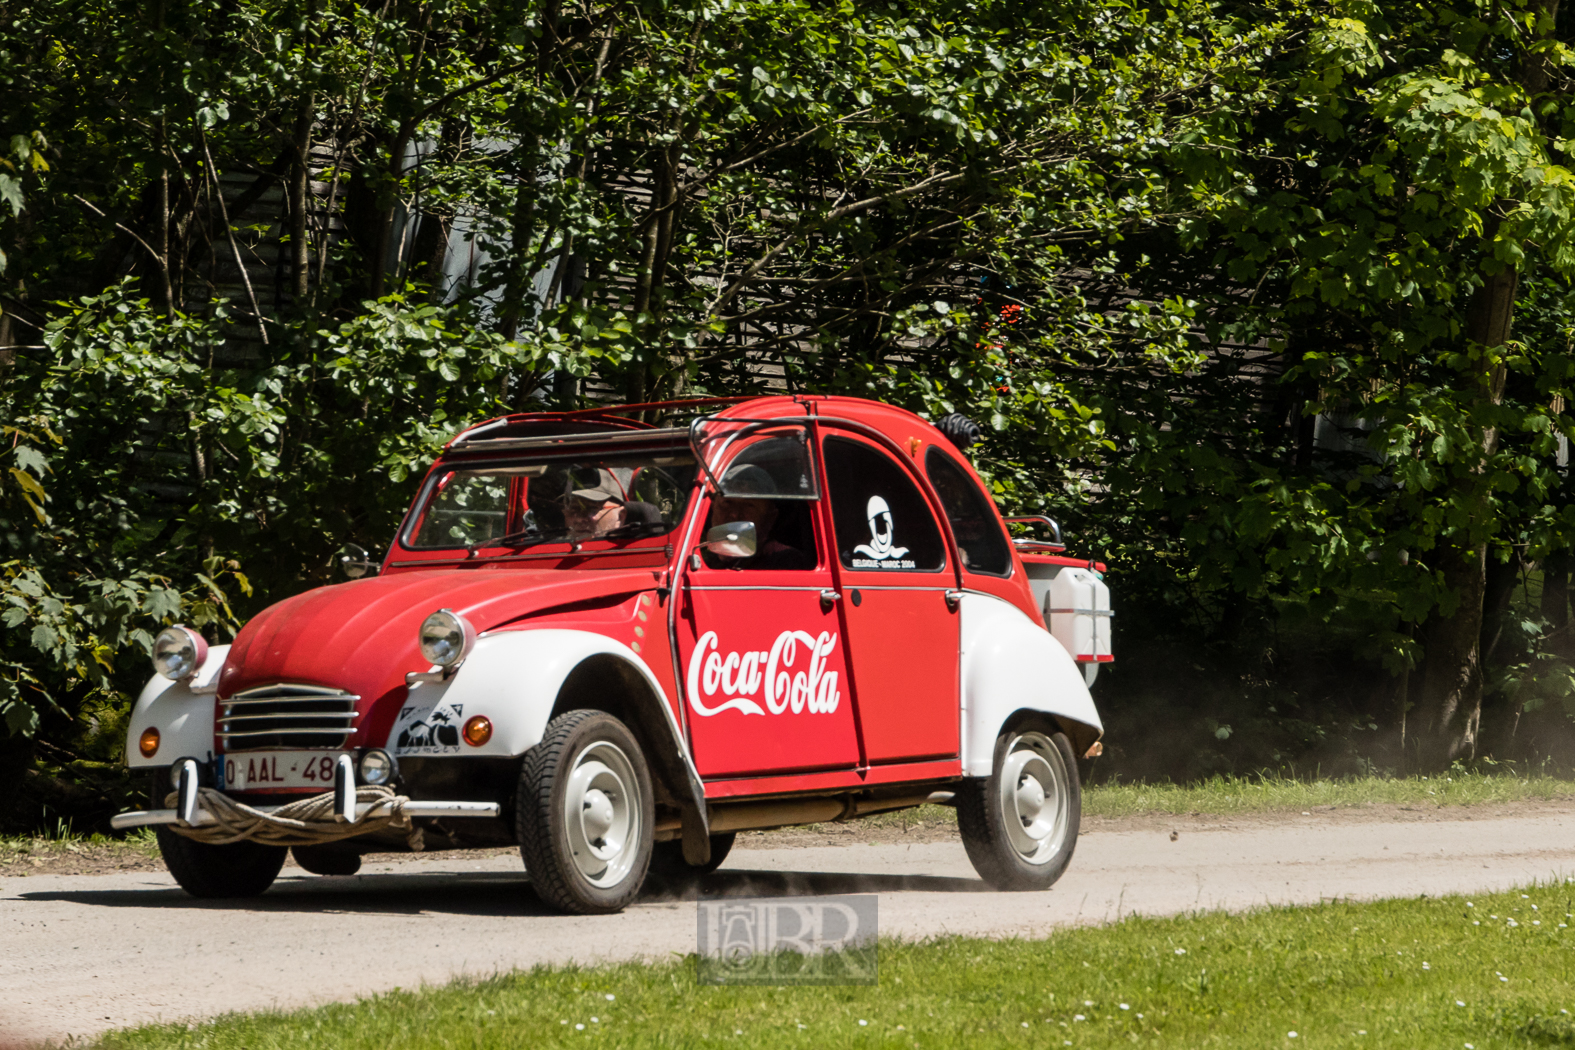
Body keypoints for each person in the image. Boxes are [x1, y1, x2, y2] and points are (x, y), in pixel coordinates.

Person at [706, 464, 814, 571]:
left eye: (749, 505)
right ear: (712, 506)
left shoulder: (784, 561)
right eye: (727, 502)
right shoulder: (696, 551)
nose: (734, 514)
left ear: (770, 518)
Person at [562, 469, 628, 539]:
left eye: (592, 509)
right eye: (574, 509)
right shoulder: (551, 547)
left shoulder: (635, 549)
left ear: (620, 517)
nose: (579, 519)